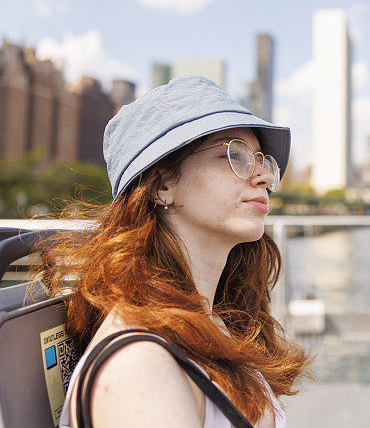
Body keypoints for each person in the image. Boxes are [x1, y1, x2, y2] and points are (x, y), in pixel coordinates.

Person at [34, 75, 313, 428]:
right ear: (163, 184)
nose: (264, 177)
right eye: (235, 155)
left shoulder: (210, 320)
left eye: (261, 160)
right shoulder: (141, 368)